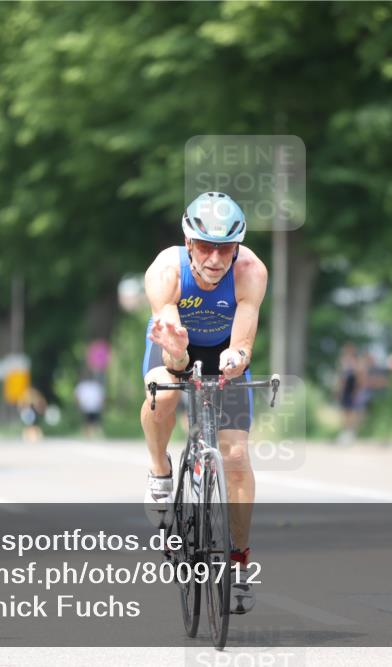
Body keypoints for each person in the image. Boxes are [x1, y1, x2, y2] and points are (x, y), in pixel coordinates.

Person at [141, 191, 268, 614]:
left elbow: (244, 340)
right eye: (205, 246)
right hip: (172, 344)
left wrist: (235, 360)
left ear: (238, 247)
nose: (215, 259)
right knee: (163, 390)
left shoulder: (250, 271)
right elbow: (172, 353)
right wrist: (177, 352)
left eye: (225, 248)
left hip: (224, 352)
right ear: (188, 241)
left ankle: (239, 558)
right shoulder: (166, 271)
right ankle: (160, 469)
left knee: (234, 457)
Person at [333, 343, 364, 444]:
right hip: (345, 391)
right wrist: (338, 390)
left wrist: (357, 391)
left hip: (352, 391)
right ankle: (346, 432)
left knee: (351, 413)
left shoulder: (356, 364)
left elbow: (359, 379)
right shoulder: (343, 363)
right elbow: (341, 379)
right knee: (345, 412)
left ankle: (351, 433)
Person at [74, 373, 106, 438]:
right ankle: (89, 435)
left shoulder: (93, 385)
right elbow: (78, 397)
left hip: (92, 407)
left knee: (92, 422)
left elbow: (101, 397)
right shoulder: (84, 385)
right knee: (89, 422)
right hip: (89, 407)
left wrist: (78, 405)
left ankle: (92, 435)